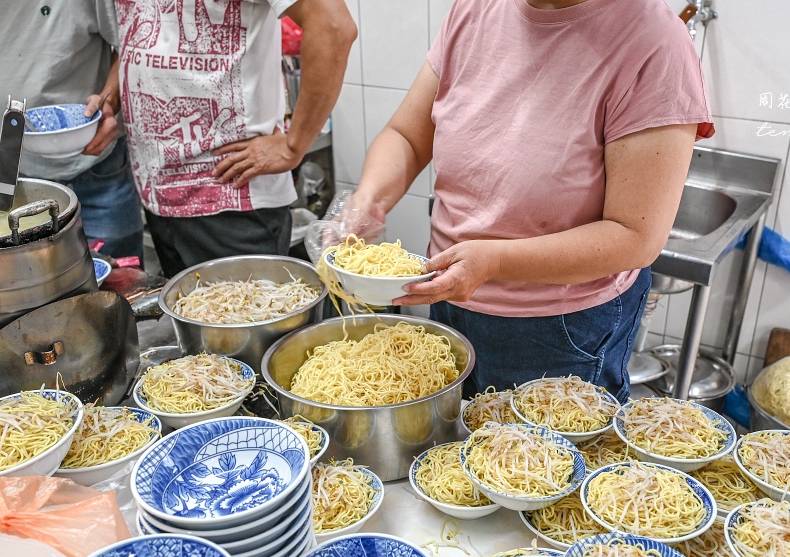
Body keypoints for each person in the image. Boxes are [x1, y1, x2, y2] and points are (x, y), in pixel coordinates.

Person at [341, 0, 714, 401]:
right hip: (451, 299)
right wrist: (370, 198)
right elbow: (407, 136)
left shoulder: (654, 43)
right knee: (454, 455)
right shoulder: (475, 9)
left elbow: (636, 235)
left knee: (536, 461)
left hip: (562, 329)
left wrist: (495, 262)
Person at [116, 0, 355, 278]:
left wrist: (293, 146)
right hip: (157, 194)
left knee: (252, 318)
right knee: (188, 317)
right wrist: (115, 86)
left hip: (231, 195)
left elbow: (333, 26)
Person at [0, 0, 146, 262]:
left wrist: (110, 101)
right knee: (11, 287)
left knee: (116, 285)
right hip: (4, 176)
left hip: (95, 174)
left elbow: (132, 46)